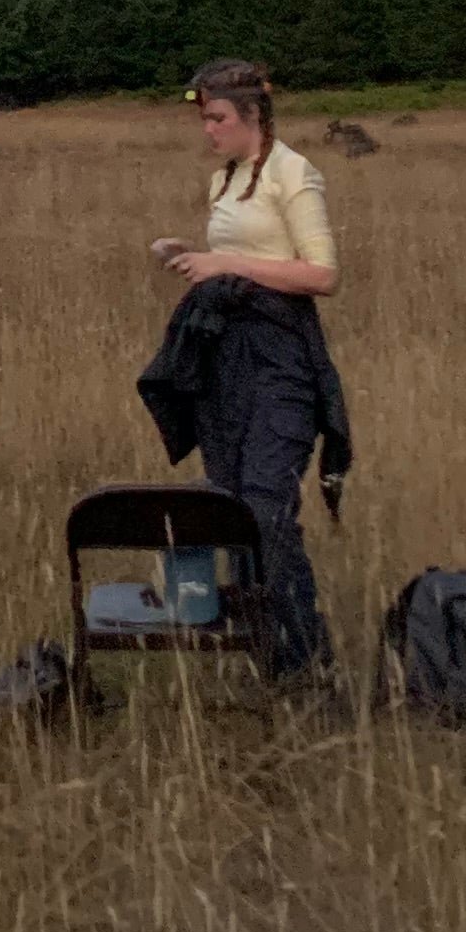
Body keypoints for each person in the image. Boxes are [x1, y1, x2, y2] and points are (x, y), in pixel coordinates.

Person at [138, 58, 351, 688]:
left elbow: (322, 276)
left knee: (266, 507)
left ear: (253, 116)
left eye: (218, 119)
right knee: (229, 505)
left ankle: (307, 663)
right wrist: (189, 255)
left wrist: (227, 261)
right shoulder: (224, 182)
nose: (208, 131)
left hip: (281, 355)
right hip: (225, 356)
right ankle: (265, 653)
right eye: (204, 119)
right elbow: (245, 259)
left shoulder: (294, 175)